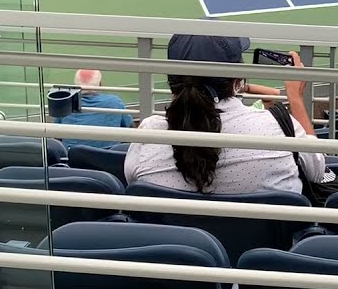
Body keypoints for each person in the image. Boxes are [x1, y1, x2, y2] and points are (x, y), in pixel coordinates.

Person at [124, 34, 326, 194]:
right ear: (237, 79)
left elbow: (133, 182)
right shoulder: (279, 128)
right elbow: (317, 172)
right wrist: (295, 98)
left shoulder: (148, 137)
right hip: (268, 235)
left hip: (172, 235)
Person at [56, 69, 134, 148]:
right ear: (100, 84)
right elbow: (131, 131)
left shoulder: (65, 104)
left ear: (76, 86)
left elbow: (56, 134)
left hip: (73, 155)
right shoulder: (115, 102)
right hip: (109, 154)